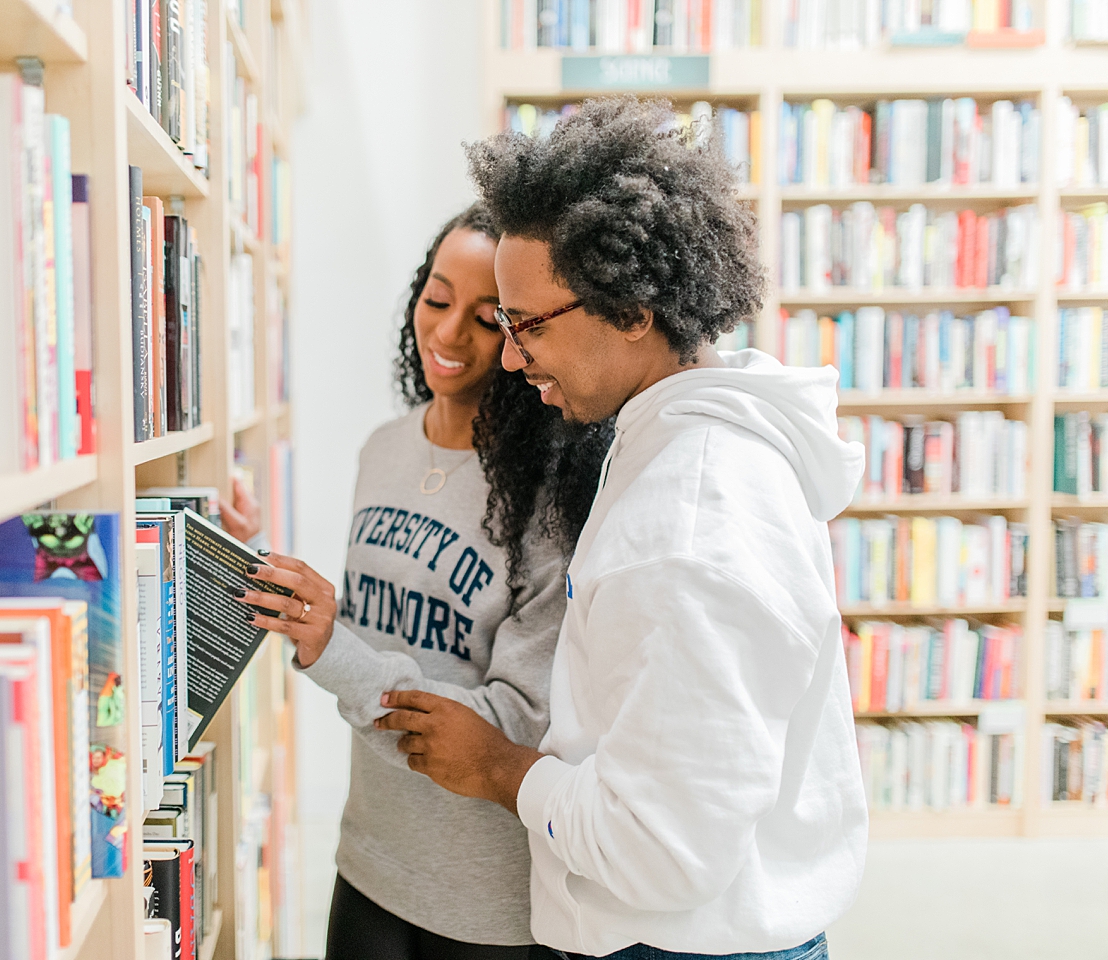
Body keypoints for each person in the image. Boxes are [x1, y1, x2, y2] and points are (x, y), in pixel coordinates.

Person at [372, 98, 869, 960]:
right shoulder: (669, 441)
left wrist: (498, 770)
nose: (514, 359)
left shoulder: (688, 520)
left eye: (525, 325)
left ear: (634, 307)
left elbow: (664, 851)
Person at [234, 204, 613, 959]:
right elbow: (365, 636)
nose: (446, 334)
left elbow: (515, 720)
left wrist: (329, 647)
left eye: (485, 317)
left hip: (483, 894)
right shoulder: (383, 450)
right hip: (370, 855)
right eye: (436, 299)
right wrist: (254, 562)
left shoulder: (550, 497)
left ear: (520, 336)